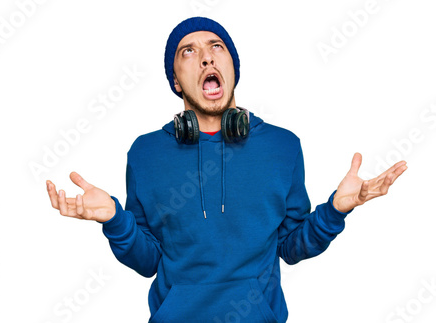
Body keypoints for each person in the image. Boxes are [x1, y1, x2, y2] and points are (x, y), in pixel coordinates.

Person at [46, 17, 407, 323]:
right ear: (175, 81)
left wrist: (335, 211)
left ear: (232, 68)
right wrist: (114, 220)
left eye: (216, 47)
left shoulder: (282, 147)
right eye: (188, 51)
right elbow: (148, 260)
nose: (205, 58)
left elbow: (291, 246)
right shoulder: (145, 153)